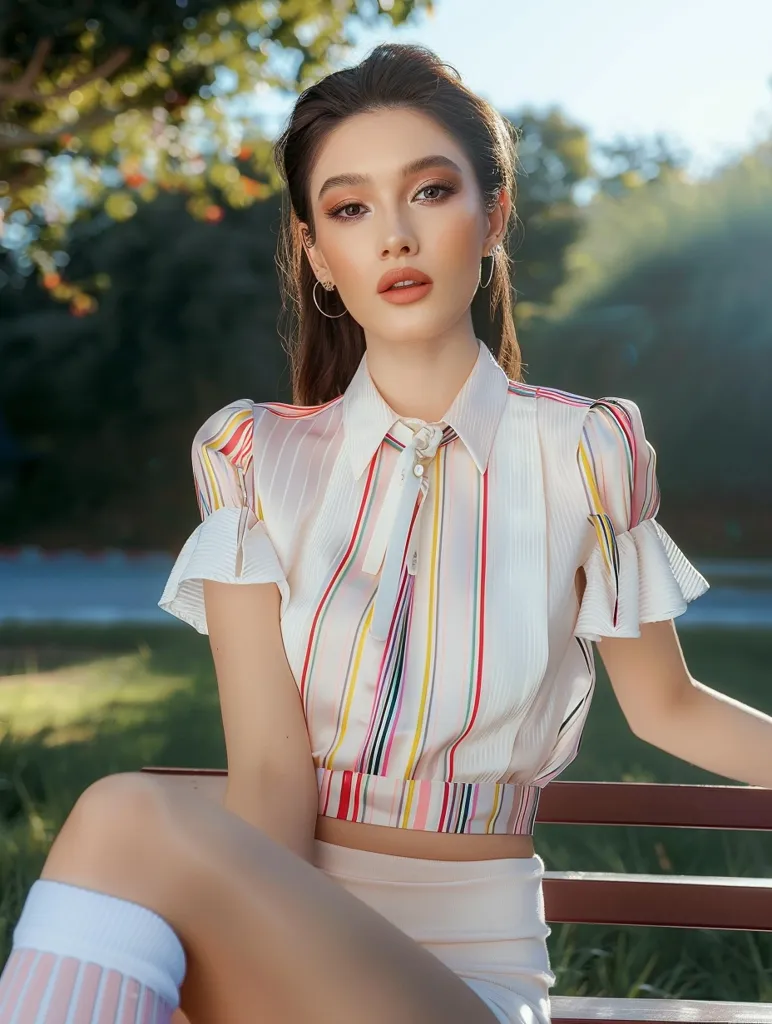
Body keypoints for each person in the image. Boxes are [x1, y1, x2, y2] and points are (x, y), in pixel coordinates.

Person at [3, 39, 770, 1024]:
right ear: (318, 253)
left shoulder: (585, 448)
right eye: (351, 208)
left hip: (471, 976)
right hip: (285, 940)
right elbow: (271, 775)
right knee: (122, 823)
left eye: (430, 192)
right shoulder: (250, 457)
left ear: (492, 216)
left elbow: (668, 708)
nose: (395, 238)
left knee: (121, 810)